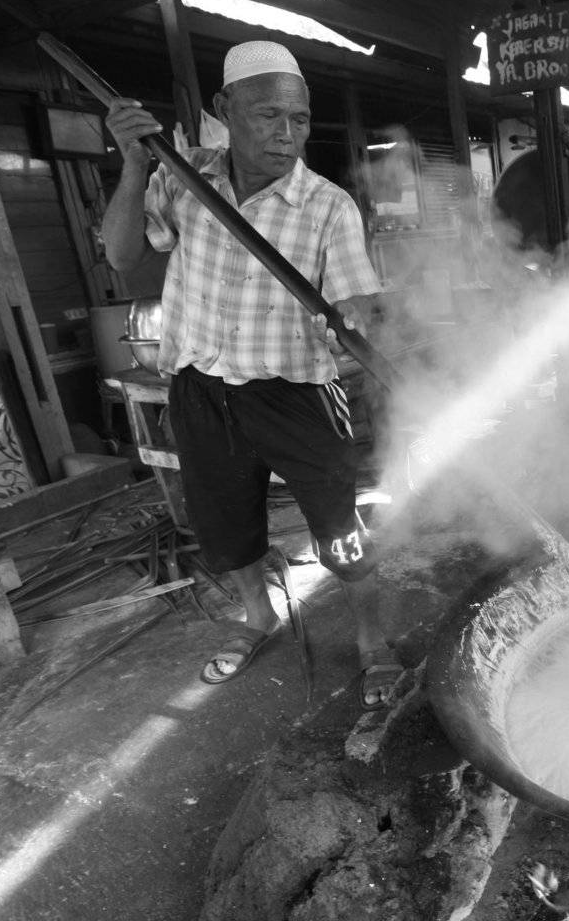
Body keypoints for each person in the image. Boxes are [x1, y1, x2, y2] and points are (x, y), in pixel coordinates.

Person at [101, 40, 397, 710]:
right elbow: (120, 255)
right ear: (224, 108)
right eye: (268, 116)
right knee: (225, 524)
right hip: (201, 384)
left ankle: (373, 637)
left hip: (296, 392)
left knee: (339, 526)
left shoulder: (327, 205)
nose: (287, 134)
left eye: (299, 119)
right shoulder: (181, 176)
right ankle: (258, 616)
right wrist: (134, 163)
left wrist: (353, 319)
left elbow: (355, 298)